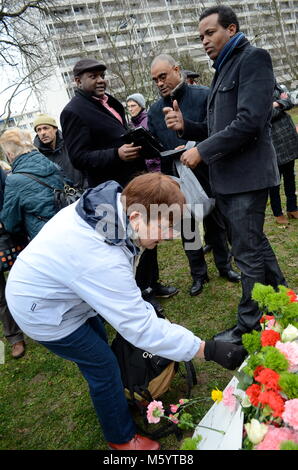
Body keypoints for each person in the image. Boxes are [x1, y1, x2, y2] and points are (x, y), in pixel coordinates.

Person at [5, 172, 247, 450]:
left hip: (63, 293)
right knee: (103, 366)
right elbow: (140, 328)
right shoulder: (99, 257)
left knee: (99, 352)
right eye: (165, 227)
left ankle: (113, 397)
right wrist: (208, 349)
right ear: (135, 219)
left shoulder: (116, 209)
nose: (171, 235)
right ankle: (121, 439)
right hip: (43, 311)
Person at [164, 5, 286, 343]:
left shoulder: (253, 58)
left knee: (246, 253)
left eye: (210, 33)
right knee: (255, 244)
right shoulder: (222, 68)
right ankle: (283, 301)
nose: (204, 41)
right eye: (200, 36)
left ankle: (250, 323)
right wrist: (187, 127)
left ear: (231, 29)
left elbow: (249, 122)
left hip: (247, 178)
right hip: (230, 180)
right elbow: (218, 127)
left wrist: (201, 151)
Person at [61, 59, 176, 314]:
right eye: (93, 76)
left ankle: (151, 284)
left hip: (134, 182)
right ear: (77, 81)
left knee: (149, 233)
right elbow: (78, 158)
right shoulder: (73, 111)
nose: (101, 80)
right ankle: (138, 295)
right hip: (110, 193)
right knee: (126, 245)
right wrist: (116, 154)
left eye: (102, 75)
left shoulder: (111, 101)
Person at [149, 53, 240, 296]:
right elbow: (156, 145)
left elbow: (217, 130)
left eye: (163, 76)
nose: (159, 83)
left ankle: (225, 266)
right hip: (176, 177)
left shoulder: (202, 95)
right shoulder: (154, 111)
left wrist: (194, 145)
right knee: (187, 228)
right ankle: (198, 275)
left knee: (216, 224)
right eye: (155, 79)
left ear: (176, 70)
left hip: (208, 170)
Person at [0, 128, 64, 240]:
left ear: (10, 154)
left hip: (46, 238)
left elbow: (11, 223)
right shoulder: (53, 165)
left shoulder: (14, 181)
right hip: (69, 225)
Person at [0, 167, 26, 359]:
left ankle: (38, 320)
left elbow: (8, 192)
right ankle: (15, 337)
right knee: (0, 296)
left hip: (5, 234)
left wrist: (4, 218)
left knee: (25, 279)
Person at [269, 81, 298, 224]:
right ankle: (277, 213)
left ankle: (292, 207)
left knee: (290, 175)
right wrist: (280, 103)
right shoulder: (254, 88)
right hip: (272, 140)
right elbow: (265, 114)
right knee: (275, 181)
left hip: (288, 136)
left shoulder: (275, 85)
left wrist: (277, 104)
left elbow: (290, 101)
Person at [33, 113, 85, 189]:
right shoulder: (36, 155)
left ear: (55, 129)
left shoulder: (70, 142)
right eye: (39, 130)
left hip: (85, 191)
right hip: (62, 198)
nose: (42, 133)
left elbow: (85, 165)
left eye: (46, 128)